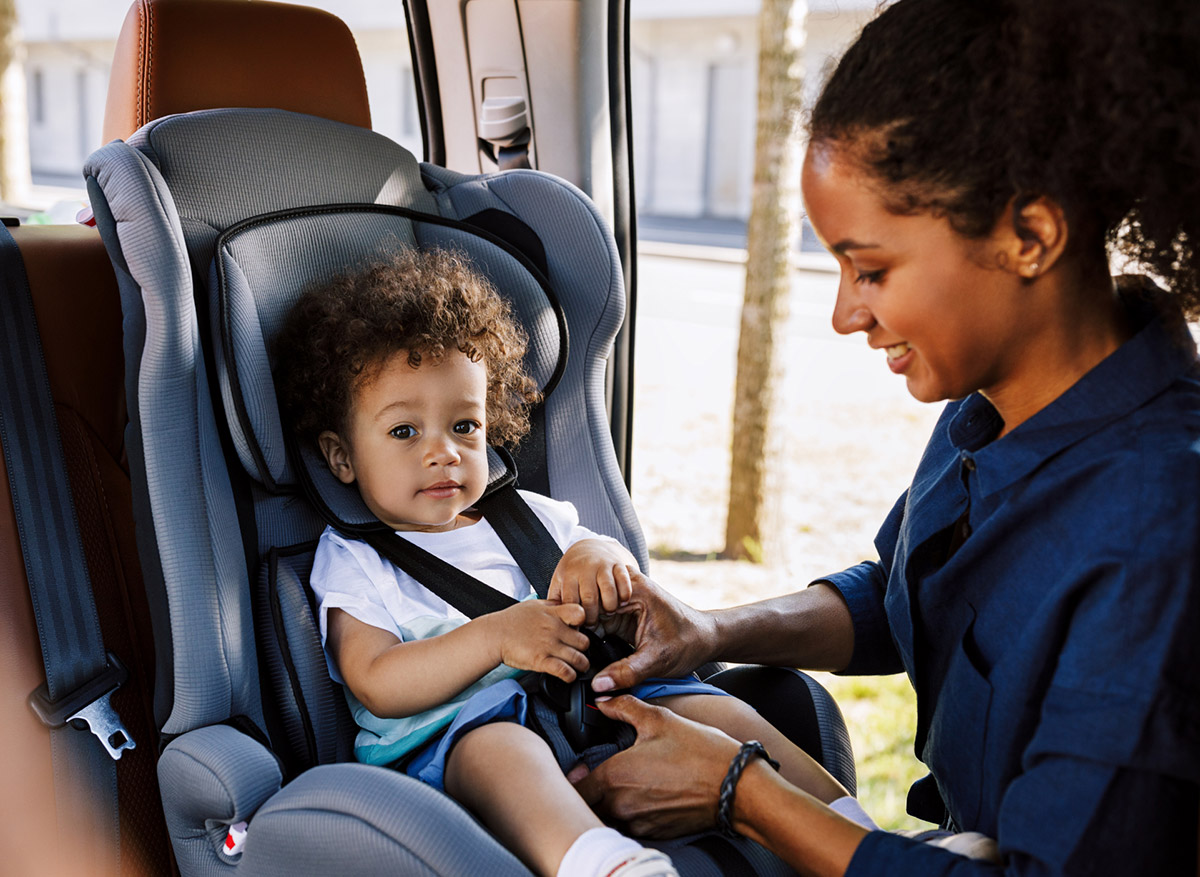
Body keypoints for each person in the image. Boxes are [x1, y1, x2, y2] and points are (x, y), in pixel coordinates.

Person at [569, 0, 1200, 874]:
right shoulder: (990, 406)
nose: (843, 313)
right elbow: (909, 599)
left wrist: (740, 791)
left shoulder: (1158, 534)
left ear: (1031, 236)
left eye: (871, 269)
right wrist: (710, 631)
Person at [271, 247, 851, 877]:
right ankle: (605, 865)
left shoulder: (529, 517)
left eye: (464, 426)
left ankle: (855, 832)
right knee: (500, 748)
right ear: (341, 456)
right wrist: (496, 636)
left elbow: (602, 562)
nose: (443, 453)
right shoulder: (356, 559)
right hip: (452, 741)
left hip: (592, 702)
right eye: (405, 432)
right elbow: (375, 680)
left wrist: (600, 558)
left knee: (711, 711)